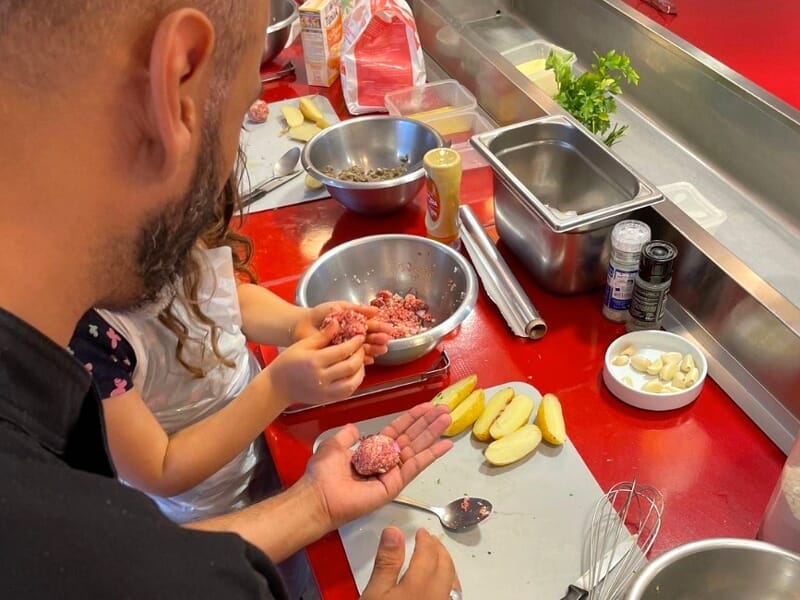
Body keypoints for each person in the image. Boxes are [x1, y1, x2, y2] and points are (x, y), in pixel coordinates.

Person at [0, 2, 461, 599]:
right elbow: (162, 492)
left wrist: (299, 325)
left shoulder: (141, 255)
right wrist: (277, 392)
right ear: (179, 80)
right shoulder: (69, 532)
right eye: (244, 111)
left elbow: (218, 296)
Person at [69, 174, 390, 596]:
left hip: (271, 453)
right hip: (210, 511)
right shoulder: (93, 335)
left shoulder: (179, 237)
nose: (191, 255)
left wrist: (297, 322)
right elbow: (160, 469)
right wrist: (277, 387)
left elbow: (228, 301)